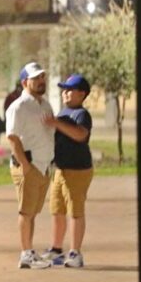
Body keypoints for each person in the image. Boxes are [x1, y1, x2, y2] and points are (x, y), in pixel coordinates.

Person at [5, 62, 55, 269]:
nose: (41, 81)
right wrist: (25, 166)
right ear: (25, 82)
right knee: (26, 212)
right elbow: (13, 138)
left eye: (42, 77)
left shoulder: (45, 105)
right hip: (29, 165)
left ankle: (30, 251)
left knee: (33, 212)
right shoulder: (18, 107)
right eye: (36, 78)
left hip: (44, 166)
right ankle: (25, 255)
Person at [41, 74, 94, 268]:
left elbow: (80, 135)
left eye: (70, 90)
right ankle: (56, 249)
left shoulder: (81, 114)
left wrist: (56, 123)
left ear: (82, 94)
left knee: (75, 211)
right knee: (57, 209)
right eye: (64, 89)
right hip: (61, 169)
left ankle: (75, 252)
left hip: (78, 169)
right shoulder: (63, 113)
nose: (65, 93)